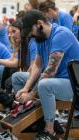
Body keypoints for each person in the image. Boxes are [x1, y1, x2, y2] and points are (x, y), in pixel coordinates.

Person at [17, 9, 79, 139]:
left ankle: (49, 130)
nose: (31, 36)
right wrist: (26, 88)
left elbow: (50, 71)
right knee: (17, 77)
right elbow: (38, 66)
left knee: (44, 84)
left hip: (73, 84)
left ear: (40, 23)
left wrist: (31, 94)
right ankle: (33, 120)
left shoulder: (61, 34)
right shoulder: (40, 39)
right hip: (57, 80)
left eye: (31, 32)